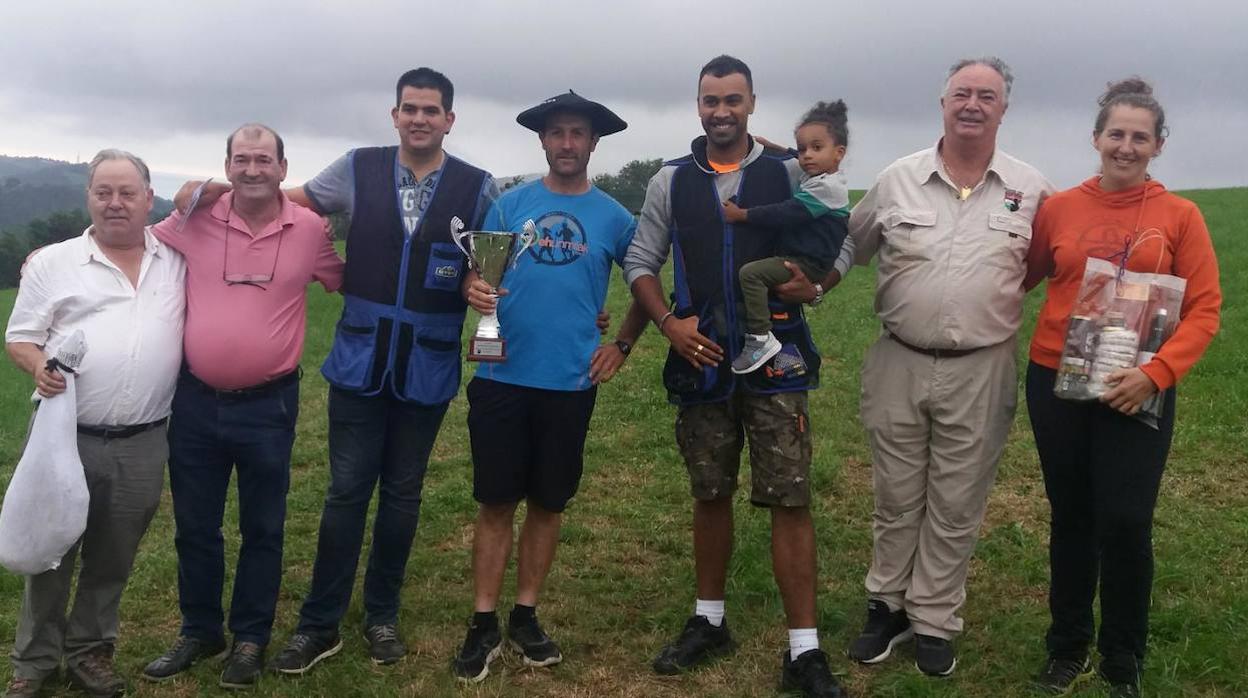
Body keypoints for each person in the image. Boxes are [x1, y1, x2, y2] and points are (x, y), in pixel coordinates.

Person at [623, 55, 854, 698]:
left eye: (733, 99)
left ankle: (803, 650)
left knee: (791, 494)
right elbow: (642, 259)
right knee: (709, 491)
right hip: (701, 361)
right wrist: (668, 323)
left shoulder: (787, 169)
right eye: (709, 100)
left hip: (778, 358)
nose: (720, 111)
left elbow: (845, 237)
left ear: (752, 102)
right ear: (697, 105)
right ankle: (709, 620)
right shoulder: (670, 180)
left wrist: (821, 284)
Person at [262, 67, 498, 674]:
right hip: (361, 358)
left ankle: (382, 615)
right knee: (344, 492)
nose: (419, 118)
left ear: (450, 119)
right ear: (394, 115)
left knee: (402, 495)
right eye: (409, 108)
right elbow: (286, 203)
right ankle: (319, 624)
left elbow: (488, 265)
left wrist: (477, 286)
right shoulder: (356, 168)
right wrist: (205, 196)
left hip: (427, 361)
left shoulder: (479, 187)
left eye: (431, 110)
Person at [845, 57, 1053, 677]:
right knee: (896, 493)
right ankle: (887, 606)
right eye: (962, 92)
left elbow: (1038, 266)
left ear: (1003, 109)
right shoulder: (897, 180)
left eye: (986, 95)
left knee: (957, 498)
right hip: (899, 359)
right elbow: (847, 247)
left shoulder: (1032, 189)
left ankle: (934, 617)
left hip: (981, 367)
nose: (972, 104)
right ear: (942, 102)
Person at [1022, 78, 1221, 698]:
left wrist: (1154, 375)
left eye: (1140, 137)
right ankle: (1067, 645)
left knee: (1128, 522)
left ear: (1157, 145)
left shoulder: (1180, 216)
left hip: (1138, 387)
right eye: (1116, 134)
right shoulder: (1059, 209)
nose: (1126, 146)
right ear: (1096, 138)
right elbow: (1020, 277)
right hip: (1058, 379)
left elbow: (1207, 309)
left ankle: (1122, 654)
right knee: (1073, 516)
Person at [450, 90, 647, 683]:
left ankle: (526, 614)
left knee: (548, 502)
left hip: (569, 383)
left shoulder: (615, 217)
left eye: (576, 134)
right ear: (542, 140)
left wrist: (622, 344)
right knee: (495, 502)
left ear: (593, 143)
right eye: (556, 133)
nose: (566, 143)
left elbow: (644, 282)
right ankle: (483, 621)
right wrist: (472, 292)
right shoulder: (510, 206)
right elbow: (478, 272)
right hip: (502, 375)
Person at [140, 124, 344, 689]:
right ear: (226, 167)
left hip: (269, 407)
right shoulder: (193, 220)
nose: (252, 169)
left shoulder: (308, 230)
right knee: (195, 526)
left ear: (283, 168)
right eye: (241, 159)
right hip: (197, 403)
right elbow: (135, 243)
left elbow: (353, 282)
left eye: (263, 159)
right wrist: (55, 256)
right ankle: (200, 630)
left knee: (264, 527)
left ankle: (251, 637)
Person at [4, 150, 185, 698]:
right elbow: (19, 337)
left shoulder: (176, 258)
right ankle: (33, 664)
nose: (115, 203)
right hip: (64, 436)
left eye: (127, 192)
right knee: (51, 551)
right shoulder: (53, 263)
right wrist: (40, 366)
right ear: (88, 198)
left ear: (148, 199)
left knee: (113, 556)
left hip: (144, 439)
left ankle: (89, 653)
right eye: (103, 192)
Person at [722, 100, 851, 374]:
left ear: (839, 153)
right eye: (803, 148)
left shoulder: (827, 190)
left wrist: (741, 215)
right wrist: (780, 149)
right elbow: (802, 159)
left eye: (816, 148)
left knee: (751, 274)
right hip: (803, 256)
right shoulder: (823, 177)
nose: (806, 156)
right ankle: (783, 356)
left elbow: (785, 213)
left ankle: (759, 338)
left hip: (806, 263)